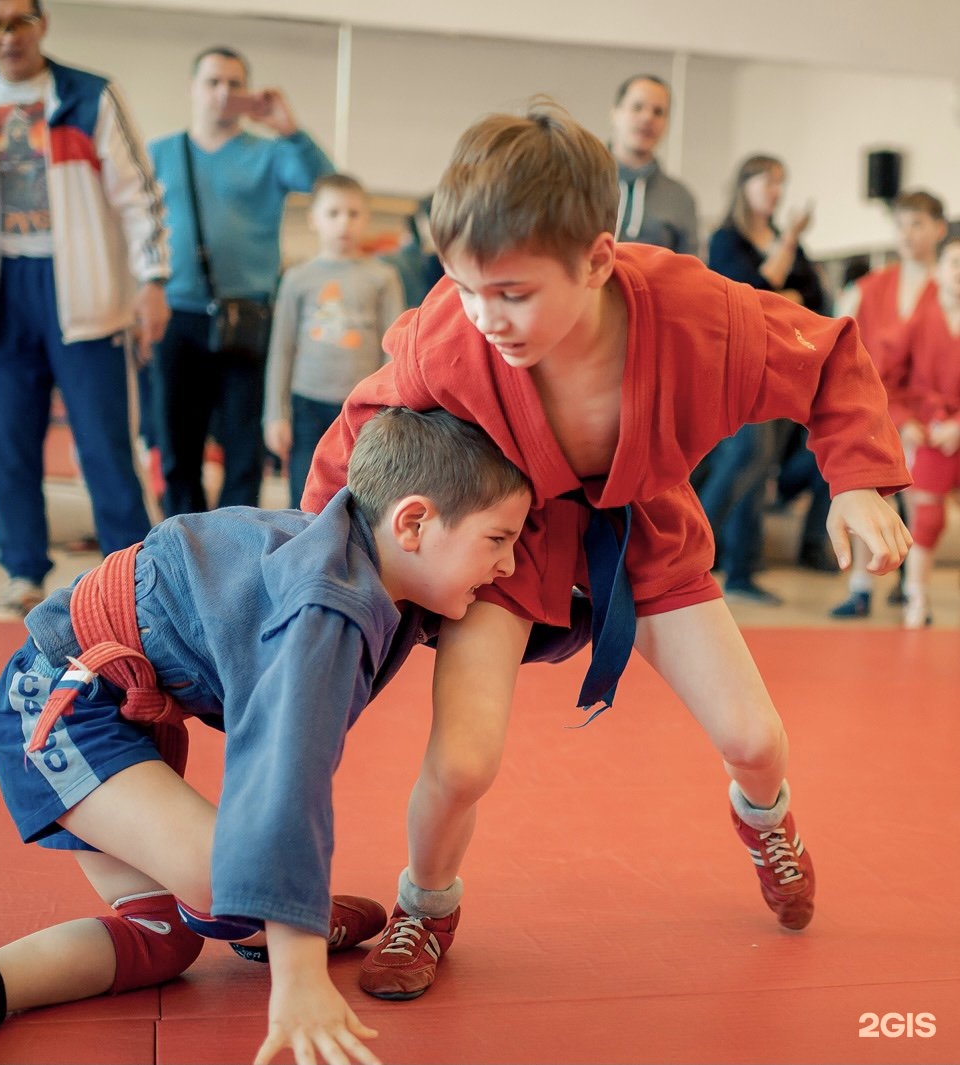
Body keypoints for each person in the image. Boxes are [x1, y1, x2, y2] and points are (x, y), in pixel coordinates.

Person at [303, 99, 910, 1002]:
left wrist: (857, 477)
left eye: (512, 293)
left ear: (597, 259)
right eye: (465, 284)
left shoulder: (696, 316)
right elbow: (359, 428)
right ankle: (425, 904)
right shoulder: (450, 331)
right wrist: (309, 559)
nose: (486, 315)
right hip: (509, 547)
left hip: (647, 534)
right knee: (463, 760)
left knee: (754, 737)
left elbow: (826, 359)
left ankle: (767, 818)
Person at [0, 406, 532, 1065]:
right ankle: (260, 909)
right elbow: (283, 783)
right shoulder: (326, 607)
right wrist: (298, 975)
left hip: (123, 708)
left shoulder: (370, 556)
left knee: (164, 937)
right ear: (413, 522)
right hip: (58, 701)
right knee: (224, 877)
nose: (508, 566)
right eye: (498, 539)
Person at [0, 0, 170, 622]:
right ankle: (22, 575)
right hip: (0, 292)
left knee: (103, 445)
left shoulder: (89, 96)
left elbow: (139, 195)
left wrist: (152, 280)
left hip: (84, 294)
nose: (8, 36)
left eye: (19, 21)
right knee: (8, 444)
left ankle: (134, 583)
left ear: (42, 24)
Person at [148, 45, 334, 517]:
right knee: (176, 448)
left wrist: (288, 128)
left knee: (243, 450)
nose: (223, 92)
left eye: (234, 83)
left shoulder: (270, 154)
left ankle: (233, 555)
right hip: (176, 314)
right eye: (213, 82)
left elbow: (327, 186)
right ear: (194, 89)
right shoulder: (159, 154)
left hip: (247, 319)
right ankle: (177, 551)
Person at [699, 154, 831, 603]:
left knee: (760, 467)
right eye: (767, 182)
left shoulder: (779, 240)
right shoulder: (726, 238)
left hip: (780, 369)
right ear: (744, 185)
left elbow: (814, 297)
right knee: (745, 457)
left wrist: (782, 285)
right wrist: (789, 244)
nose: (775, 191)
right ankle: (685, 551)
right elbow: (746, 293)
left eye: (780, 182)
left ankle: (741, 570)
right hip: (739, 366)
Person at [829, 189, 948, 617]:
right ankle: (860, 586)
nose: (907, 234)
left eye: (917, 224)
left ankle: (912, 584)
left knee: (920, 488)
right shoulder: (870, 287)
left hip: (924, 415)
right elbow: (843, 346)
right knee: (865, 482)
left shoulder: (950, 285)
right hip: (873, 407)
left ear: (938, 229)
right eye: (901, 224)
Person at [264, 173, 405, 507]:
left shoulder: (382, 277)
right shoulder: (298, 279)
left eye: (353, 214)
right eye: (333, 213)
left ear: (366, 218)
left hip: (362, 407)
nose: (344, 223)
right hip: (307, 403)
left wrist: (391, 406)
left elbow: (394, 348)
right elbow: (281, 350)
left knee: (360, 495)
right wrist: (275, 414)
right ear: (314, 219)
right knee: (305, 493)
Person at [880, 235, 960, 629]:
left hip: (956, 429)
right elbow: (885, 379)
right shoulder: (918, 322)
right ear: (940, 270)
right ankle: (917, 597)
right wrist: (905, 422)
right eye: (954, 263)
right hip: (930, 433)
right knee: (926, 519)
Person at [609, 74, 699, 256]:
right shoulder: (578, 182)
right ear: (615, 113)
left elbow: (691, 273)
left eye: (658, 112)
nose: (647, 118)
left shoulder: (680, 198)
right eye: (637, 107)